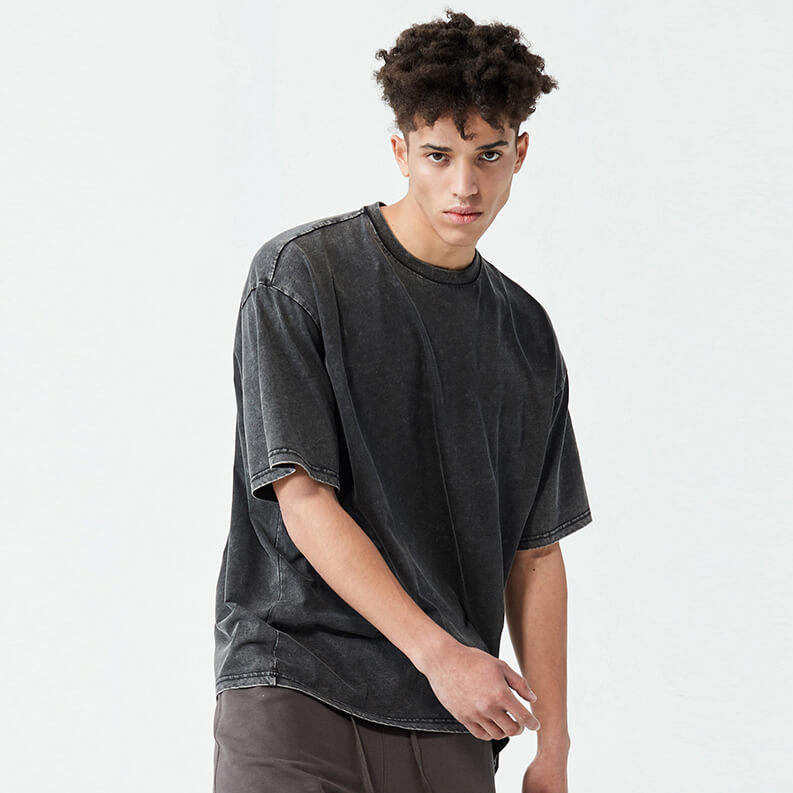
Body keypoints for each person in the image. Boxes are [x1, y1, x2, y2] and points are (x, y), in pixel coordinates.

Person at [213, 9, 593, 793]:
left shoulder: (523, 333)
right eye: (438, 155)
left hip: (452, 718)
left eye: (488, 154)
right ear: (401, 153)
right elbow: (302, 497)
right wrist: (438, 654)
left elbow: (536, 552)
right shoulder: (301, 276)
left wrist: (551, 746)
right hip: (297, 681)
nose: (465, 185)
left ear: (520, 152)